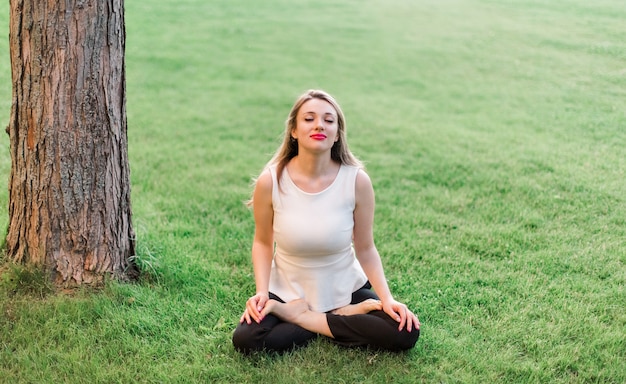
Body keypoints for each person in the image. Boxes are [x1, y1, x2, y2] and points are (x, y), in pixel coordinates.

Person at [232, 89, 420, 354]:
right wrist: (263, 293)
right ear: (294, 131)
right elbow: (262, 243)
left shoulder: (356, 181)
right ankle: (340, 317)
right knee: (247, 339)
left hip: (343, 285)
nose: (319, 124)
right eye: (309, 118)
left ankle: (304, 317)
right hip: (288, 288)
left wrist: (387, 299)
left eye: (329, 120)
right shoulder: (271, 181)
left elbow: (365, 248)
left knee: (404, 331)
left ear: (337, 134)